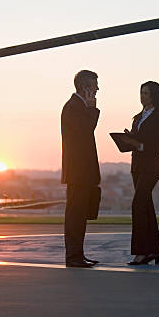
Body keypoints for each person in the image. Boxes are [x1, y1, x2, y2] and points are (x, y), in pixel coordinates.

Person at [119, 81, 159, 265]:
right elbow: (136, 140)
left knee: (138, 205)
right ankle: (153, 250)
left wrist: (138, 144)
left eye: (146, 93)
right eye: (141, 93)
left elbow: (158, 145)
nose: (142, 97)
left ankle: (141, 252)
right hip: (137, 166)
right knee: (146, 207)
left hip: (151, 166)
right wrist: (127, 139)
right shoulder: (137, 117)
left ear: (155, 95)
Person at [61, 70, 101, 268]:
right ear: (85, 88)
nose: (97, 90)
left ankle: (78, 254)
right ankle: (73, 257)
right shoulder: (73, 108)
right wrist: (92, 110)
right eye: (94, 86)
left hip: (82, 172)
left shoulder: (79, 107)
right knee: (75, 215)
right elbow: (86, 130)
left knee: (80, 215)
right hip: (77, 172)